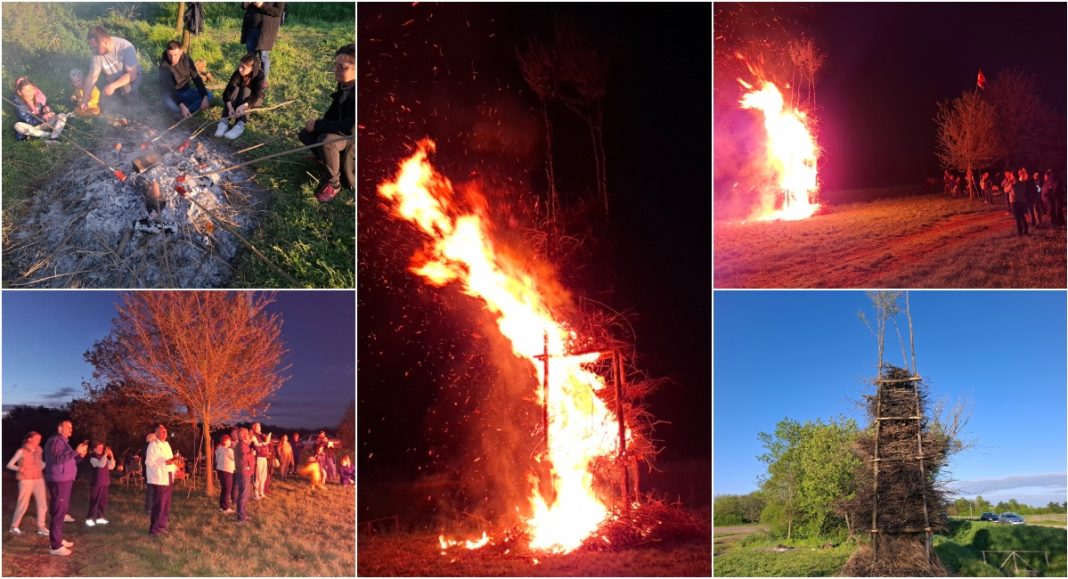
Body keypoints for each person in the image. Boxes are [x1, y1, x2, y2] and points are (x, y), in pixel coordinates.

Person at [298, 43, 355, 202]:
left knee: (327, 141)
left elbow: (349, 129)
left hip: (354, 140)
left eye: (343, 67)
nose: (336, 69)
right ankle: (327, 162)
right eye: (336, 65)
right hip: (344, 133)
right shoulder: (344, 84)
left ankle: (334, 183)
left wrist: (319, 126)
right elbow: (332, 114)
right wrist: (317, 124)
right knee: (306, 133)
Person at [43, 420, 88, 556]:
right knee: (58, 512)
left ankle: (58, 539)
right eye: (68, 427)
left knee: (61, 512)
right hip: (59, 480)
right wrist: (76, 452)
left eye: (71, 427)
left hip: (64, 480)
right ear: (59, 428)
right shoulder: (55, 440)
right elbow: (58, 459)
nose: (71, 430)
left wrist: (80, 456)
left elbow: (69, 461)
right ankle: (55, 547)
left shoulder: (63, 442)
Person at [82, 26, 142, 114]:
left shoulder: (125, 47)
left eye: (95, 47)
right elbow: (92, 77)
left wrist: (113, 86)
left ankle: (135, 110)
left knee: (128, 96)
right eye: (92, 47)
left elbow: (132, 75)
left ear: (104, 42)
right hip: (112, 79)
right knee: (106, 104)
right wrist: (84, 100)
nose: (93, 50)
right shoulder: (96, 54)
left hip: (130, 79)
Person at [7, 431, 49, 536]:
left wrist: (47, 464)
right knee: (23, 504)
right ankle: (14, 526)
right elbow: (9, 465)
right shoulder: (21, 451)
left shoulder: (39, 450)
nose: (39, 441)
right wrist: (19, 468)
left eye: (40, 439)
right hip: (25, 480)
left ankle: (41, 527)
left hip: (38, 479)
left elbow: (40, 463)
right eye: (37, 438)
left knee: (42, 504)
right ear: (30, 439)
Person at [217, 53, 265, 140]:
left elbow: (256, 95)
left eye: (243, 67)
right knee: (235, 89)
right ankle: (224, 122)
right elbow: (228, 91)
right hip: (238, 97)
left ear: (252, 68)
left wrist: (244, 106)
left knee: (246, 90)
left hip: (253, 100)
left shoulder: (260, 75)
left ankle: (239, 125)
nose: (240, 69)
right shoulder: (238, 73)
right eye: (240, 66)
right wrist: (230, 107)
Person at [158, 40, 211, 119]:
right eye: (169, 55)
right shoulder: (164, 66)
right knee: (174, 107)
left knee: (209, 95)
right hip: (171, 95)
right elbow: (169, 90)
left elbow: (196, 78)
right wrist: (181, 105)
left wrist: (204, 97)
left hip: (186, 91)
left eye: (175, 55)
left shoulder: (187, 60)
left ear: (181, 52)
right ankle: (184, 108)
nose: (172, 59)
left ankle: (186, 110)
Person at [145, 424, 179, 537]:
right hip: (159, 478)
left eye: (166, 431)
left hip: (168, 476)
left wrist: (176, 469)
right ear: (157, 433)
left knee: (166, 504)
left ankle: (162, 526)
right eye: (163, 431)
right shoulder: (153, 445)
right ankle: (154, 529)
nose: (165, 433)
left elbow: (170, 461)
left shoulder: (167, 445)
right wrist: (165, 462)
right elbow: (149, 462)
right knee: (159, 504)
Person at [240, 2, 285, 84]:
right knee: (250, 56)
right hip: (250, 28)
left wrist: (262, 5)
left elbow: (278, 12)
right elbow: (243, 6)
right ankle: (249, 78)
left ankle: (262, 81)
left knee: (263, 56)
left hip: (266, 31)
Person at [85, 442, 115, 527]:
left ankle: (100, 517)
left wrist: (111, 456)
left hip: (105, 483)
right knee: (94, 501)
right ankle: (89, 519)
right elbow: (101, 464)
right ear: (94, 449)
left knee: (103, 501)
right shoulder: (92, 458)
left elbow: (111, 466)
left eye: (102, 448)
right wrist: (105, 455)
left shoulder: (103, 457)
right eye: (99, 448)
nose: (101, 449)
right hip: (97, 483)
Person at [233, 428, 255, 522]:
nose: (248, 434)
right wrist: (252, 453)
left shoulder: (241, 444)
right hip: (244, 473)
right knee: (243, 495)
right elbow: (244, 457)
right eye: (247, 433)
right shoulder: (242, 445)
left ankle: (242, 514)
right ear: (243, 435)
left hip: (241, 472)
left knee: (242, 494)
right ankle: (241, 518)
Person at [250, 423, 272, 499]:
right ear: (254, 428)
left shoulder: (261, 435)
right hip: (258, 458)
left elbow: (267, 444)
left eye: (260, 426)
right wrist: (264, 443)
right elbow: (256, 446)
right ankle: (255, 493)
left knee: (263, 476)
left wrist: (266, 439)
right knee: (258, 476)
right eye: (258, 426)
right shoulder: (253, 436)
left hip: (264, 458)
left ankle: (261, 492)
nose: (260, 427)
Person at [215, 434, 235, 514]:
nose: (231, 442)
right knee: (227, 489)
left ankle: (222, 506)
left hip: (220, 470)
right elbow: (235, 458)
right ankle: (226, 508)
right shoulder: (228, 450)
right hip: (227, 471)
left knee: (224, 489)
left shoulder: (218, 449)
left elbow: (216, 459)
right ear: (226, 441)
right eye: (229, 440)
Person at [1010, 168, 1030, 236]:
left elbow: (1005, 190)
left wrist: (1009, 182)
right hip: (1021, 202)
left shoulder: (1012, 184)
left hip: (1014, 202)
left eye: (1011, 176)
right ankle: (1026, 230)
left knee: (1017, 218)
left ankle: (1020, 232)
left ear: (1013, 176)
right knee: (1022, 216)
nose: (1010, 177)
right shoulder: (1022, 183)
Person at [143, 432, 156, 516]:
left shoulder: (147, 447)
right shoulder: (149, 447)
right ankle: (149, 508)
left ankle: (150, 507)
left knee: (151, 490)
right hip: (150, 472)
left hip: (149, 472)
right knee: (151, 490)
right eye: (155, 438)